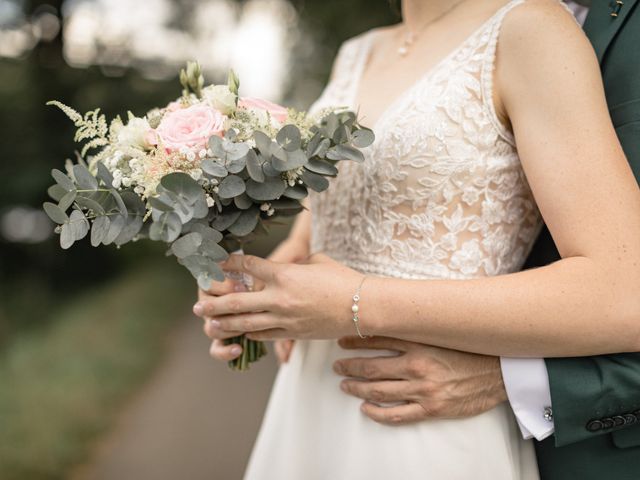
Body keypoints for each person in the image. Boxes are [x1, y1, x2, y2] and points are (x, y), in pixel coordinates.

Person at [194, 0, 640, 478]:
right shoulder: (357, 52)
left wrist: (354, 304)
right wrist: (263, 289)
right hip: (308, 399)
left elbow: (623, 293)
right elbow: (340, 210)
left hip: (425, 416)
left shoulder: (531, 30)